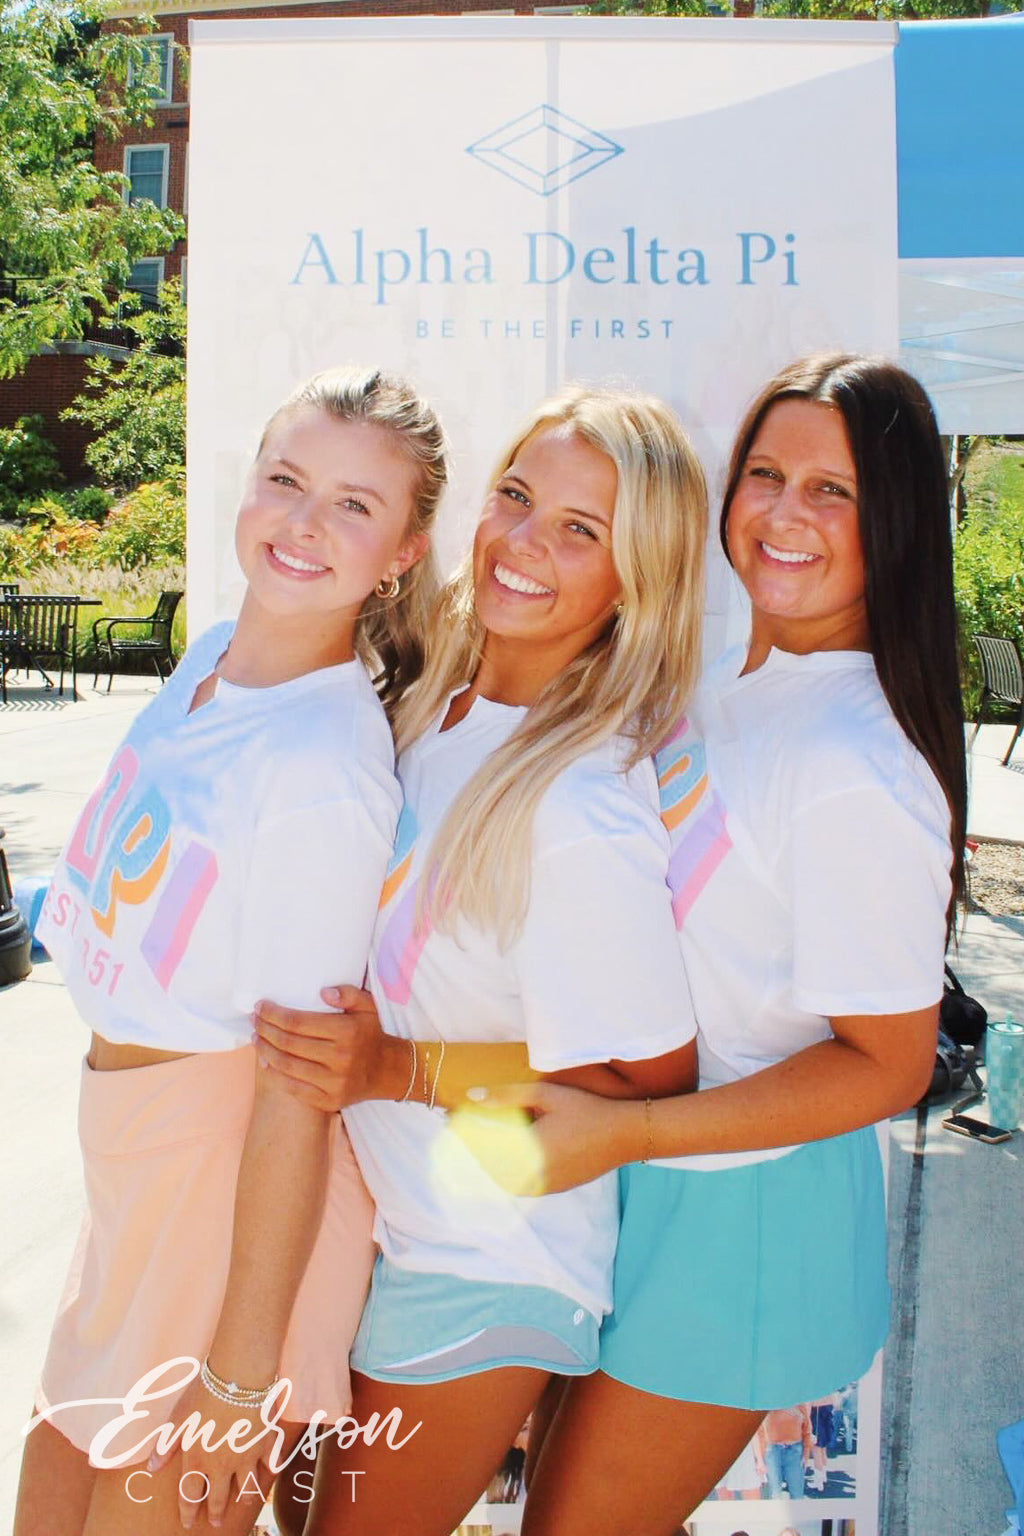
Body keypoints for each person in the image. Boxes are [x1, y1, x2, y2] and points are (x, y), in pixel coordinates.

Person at [460, 354, 965, 1535]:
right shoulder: (737, 687)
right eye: (765, 475)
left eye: (832, 491)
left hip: (742, 1217)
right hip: (642, 1176)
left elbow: (888, 1064)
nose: (784, 513)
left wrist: (627, 1133)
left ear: (895, 518)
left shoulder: (855, 764)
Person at [259, 385, 708, 1536]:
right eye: (516, 496)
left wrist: (397, 1069)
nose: (523, 541)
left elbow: (648, 1081)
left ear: (637, 578)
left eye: (580, 529)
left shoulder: (582, 803)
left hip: (486, 1257)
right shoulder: (430, 708)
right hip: (366, 1217)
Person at [13, 366, 448, 1536]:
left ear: (401, 554)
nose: (304, 523)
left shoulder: (322, 764)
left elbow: (296, 1085)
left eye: (355, 505)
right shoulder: (211, 657)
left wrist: (240, 1380)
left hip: (227, 1194)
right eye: (286, 480)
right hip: (137, 1175)